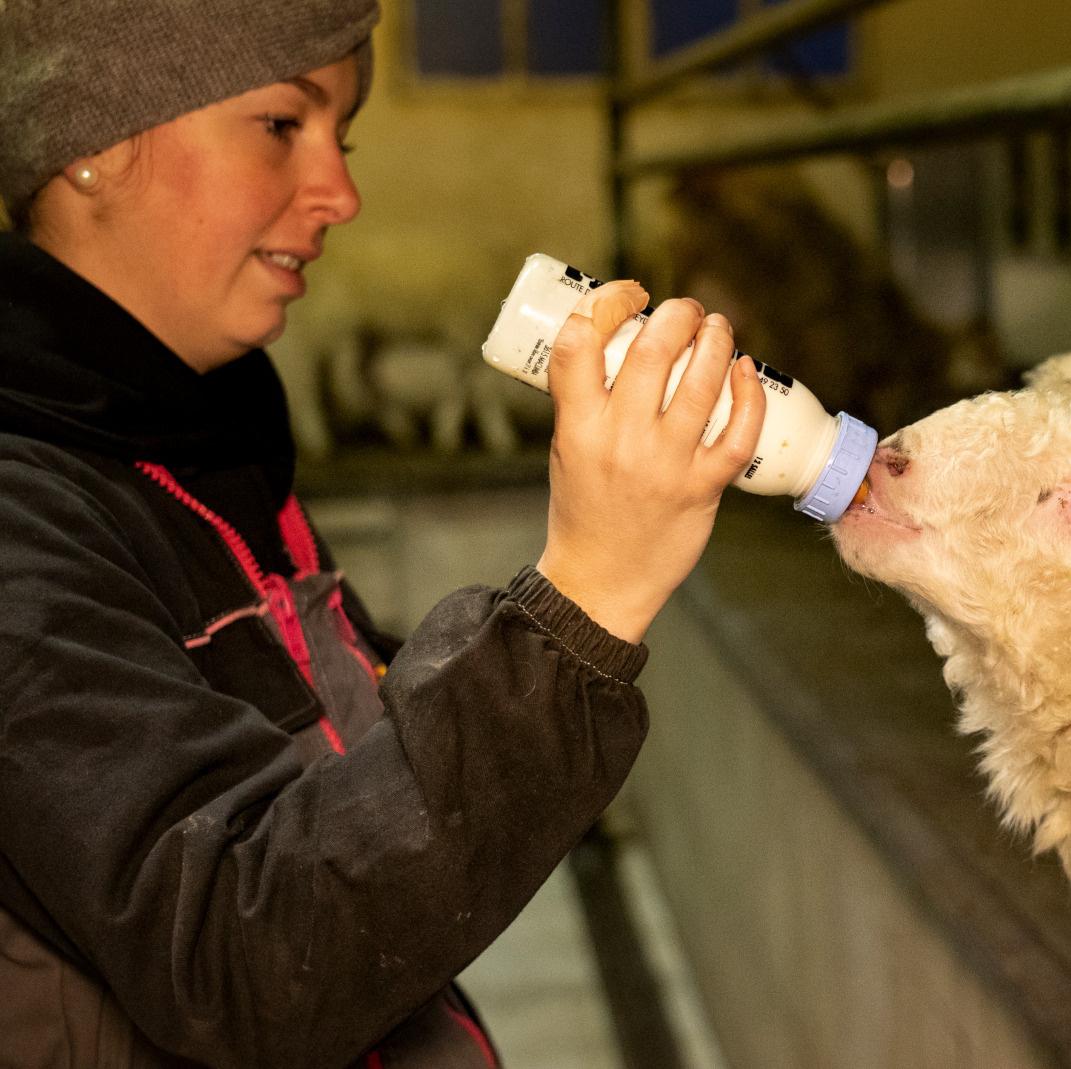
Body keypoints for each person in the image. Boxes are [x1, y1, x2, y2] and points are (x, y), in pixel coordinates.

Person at [0, 2, 766, 1066]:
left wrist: (497, 675)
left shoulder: (200, 435)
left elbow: (333, 761)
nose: (342, 195)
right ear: (93, 141)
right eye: (282, 124)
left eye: (344, 139)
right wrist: (581, 598)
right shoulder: (26, 517)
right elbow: (242, 952)